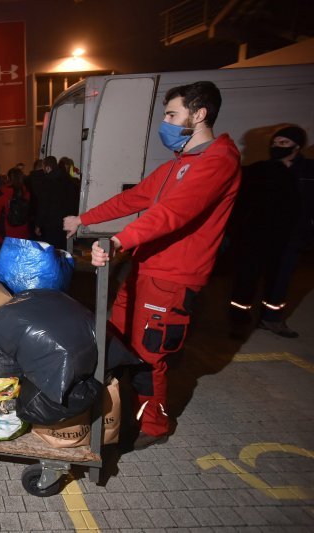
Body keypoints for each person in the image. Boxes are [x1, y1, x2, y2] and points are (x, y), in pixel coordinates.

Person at [63, 81, 241, 450]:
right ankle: (121, 407)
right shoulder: (181, 164)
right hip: (145, 270)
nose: (166, 123)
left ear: (200, 114)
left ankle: (155, 427)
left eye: (172, 115)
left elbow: (173, 214)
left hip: (172, 279)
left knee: (150, 355)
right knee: (119, 336)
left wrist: (117, 241)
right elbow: (135, 198)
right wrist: (84, 220)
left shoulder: (218, 161)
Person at [229, 125, 313, 338]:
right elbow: (241, 204)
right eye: (274, 143)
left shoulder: (309, 172)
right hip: (257, 237)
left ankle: (271, 319)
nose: (277, 147)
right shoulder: (258, 170)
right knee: (246, 280)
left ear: (297, 146)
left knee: (280, 281)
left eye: (283, 143)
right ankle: (238, 322)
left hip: (291, 239)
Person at [33, 156, 80, 248]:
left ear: (47, 167)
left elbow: (43, 205)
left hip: (50, 223)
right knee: (63, 248)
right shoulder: (68, 180)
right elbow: (73, 202)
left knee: (51, 249)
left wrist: (38, 224)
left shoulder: (47, 181)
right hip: (65, 222)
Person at [0, 167, 31, 244]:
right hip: (23, 232)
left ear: (8, 178)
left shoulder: (2, 193)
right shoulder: (26, 192)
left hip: (6, 235)